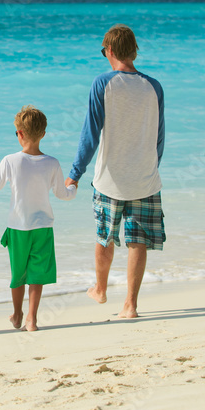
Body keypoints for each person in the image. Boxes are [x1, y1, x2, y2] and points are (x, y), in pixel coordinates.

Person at [65, 25, 165, 319]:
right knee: (139, 241)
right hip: (146, 179)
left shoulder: (102, 83)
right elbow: (159, 136)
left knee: (104, 237)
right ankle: (131, 305)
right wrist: (150, 165)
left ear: (109, 51)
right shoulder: (154, 86)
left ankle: (100, 289)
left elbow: (90, 134)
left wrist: (75, 172)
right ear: (133, 52)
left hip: (109, 180)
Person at [0, 106, 77, 332]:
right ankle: (32, 318)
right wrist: (73, 187)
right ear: (43, 134)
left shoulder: (10, 161)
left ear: (20, 133)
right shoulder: (52, 163)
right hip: (43, 227)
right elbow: (63, 195)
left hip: (17, 227)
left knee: (18, 274)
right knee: (37, 273)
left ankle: (18, 313)